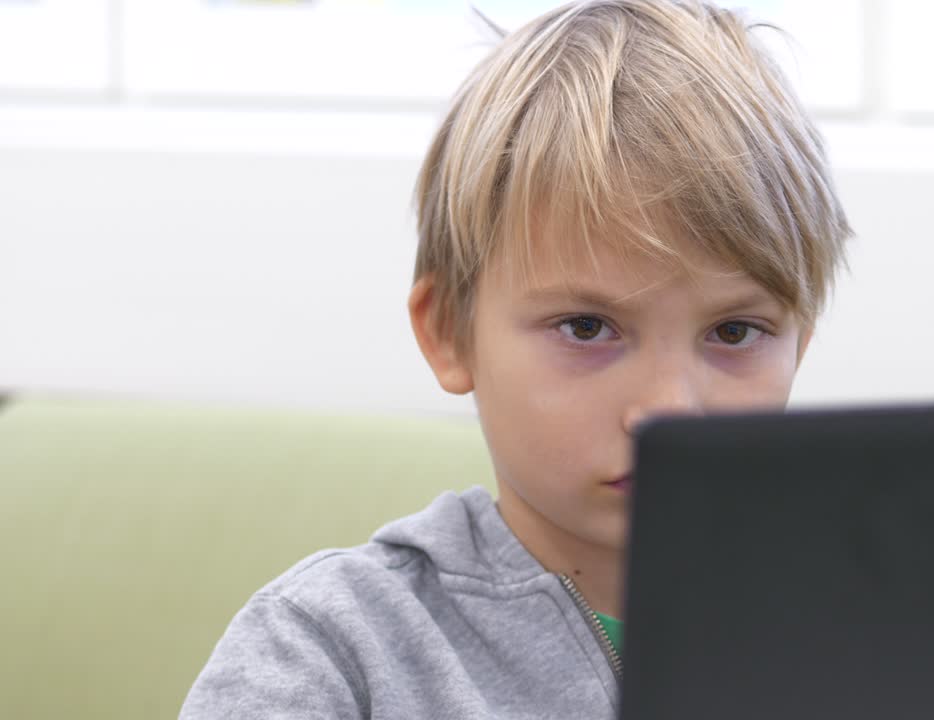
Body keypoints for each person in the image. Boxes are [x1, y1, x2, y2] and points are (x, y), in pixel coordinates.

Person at [179, 1, 850, 717]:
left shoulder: (863, 627)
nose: (669, 408)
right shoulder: (329, 650)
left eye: (735, 333)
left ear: (800, 346)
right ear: (450, 331)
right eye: (587, 327)